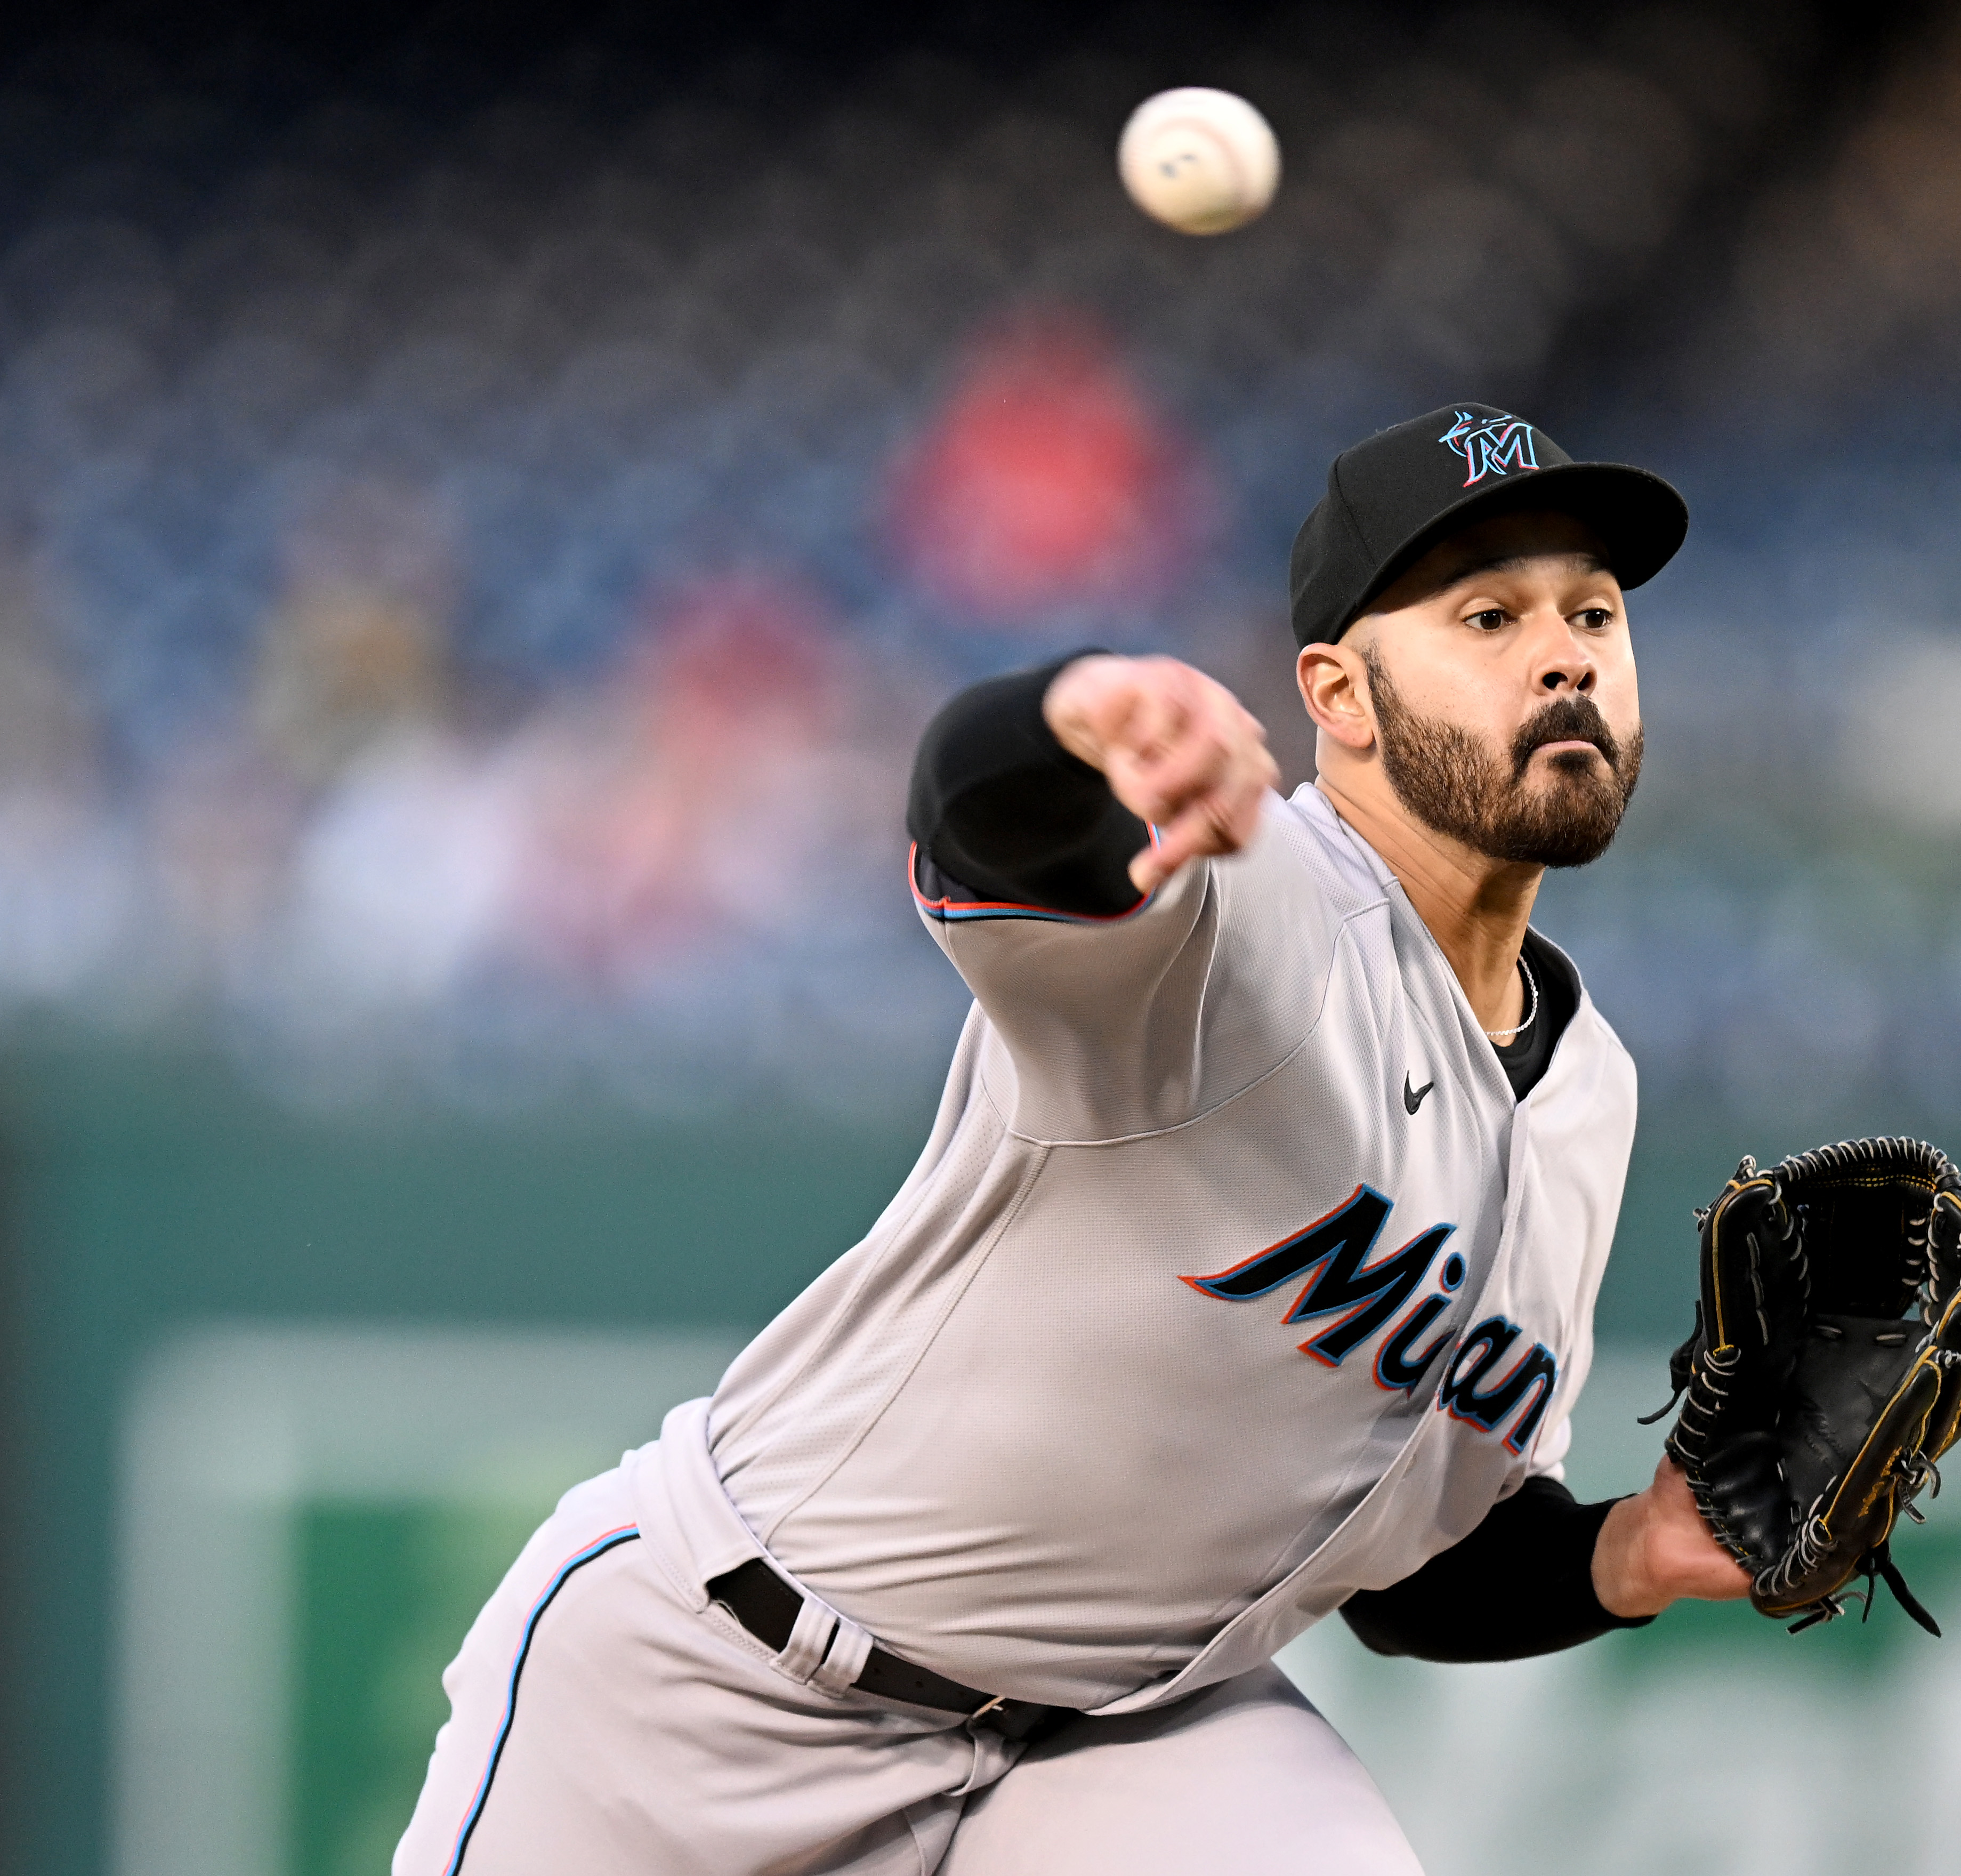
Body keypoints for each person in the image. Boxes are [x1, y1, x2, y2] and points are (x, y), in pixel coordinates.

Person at [394, 403, 1752, 1876]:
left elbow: (1406, 1552)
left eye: (1593, 614)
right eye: (1486, 615)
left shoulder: (1588, 1089)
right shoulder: (1243, 906)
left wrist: (1623, 1557)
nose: (1563, 654)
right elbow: (988, 833)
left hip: (1108, 1743)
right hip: (712, 1687)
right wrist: (1073, 726)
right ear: (1337, 696)